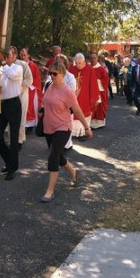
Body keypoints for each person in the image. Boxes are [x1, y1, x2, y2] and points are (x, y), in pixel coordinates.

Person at [39, 62, 93, 202]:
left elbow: (77, 110)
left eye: (55, 74)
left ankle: (50, 192)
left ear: (62, 74)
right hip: (48, 127)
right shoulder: (48, 85)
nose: (52, 76)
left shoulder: (67, 91)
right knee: (59, 156)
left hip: (63, 127)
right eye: (50, 73)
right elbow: (45, 102)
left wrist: (86, 127)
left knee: (52, 157)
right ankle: (74, 173)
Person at [0, 48, 23, 180]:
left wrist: (4, 63)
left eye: (7, 55)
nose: (5, 58)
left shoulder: (17, 68)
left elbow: (11, 75)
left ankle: (12, 167)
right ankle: (9, 160)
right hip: (0, 104)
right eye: (4, 56)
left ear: (13, 56)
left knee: (14, 137)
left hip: (14, 104)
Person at [69, 53, 100, 139]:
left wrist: (93, 98)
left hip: (86, 97)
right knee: (74, 114)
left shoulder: (90, 70)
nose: (78, 65)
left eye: (80, 63)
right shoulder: (71, 69)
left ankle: (83, 132)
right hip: (74, 96)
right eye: (76, 63)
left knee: (84, 113)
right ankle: (73, 133)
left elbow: (93, 85)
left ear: (84, 62)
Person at [11, 45, 33, 148]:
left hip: (21, 95)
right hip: (8, 96)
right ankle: (11, 138)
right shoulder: (5, 65)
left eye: (10, 53)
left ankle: (19, 140)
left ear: (14, 54)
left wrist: (18, 86)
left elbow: (29, 79)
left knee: (20, 117)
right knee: (10, 117)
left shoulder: (23, 65)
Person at [20, 48, 42, 134]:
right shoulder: (18, 65)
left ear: (28, 55)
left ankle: (29, 126)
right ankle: (22, 125)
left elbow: (37, 78)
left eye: (24, 55)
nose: (22, 57)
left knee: (30, 107)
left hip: (30, 89)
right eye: (21, 55)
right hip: (20, 89)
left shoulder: (33, 66)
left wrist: (29, 86)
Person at [90, 52, 109, 129]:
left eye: (94, 58)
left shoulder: (101, 69)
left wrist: (96, 81)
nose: (93, 60)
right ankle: (90, 122)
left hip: (100, 91)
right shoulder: (88, 67)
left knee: (99, 107)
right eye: (91, 58)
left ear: (97, 59)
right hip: (90, 91)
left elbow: (105, 80)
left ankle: (100, 123)